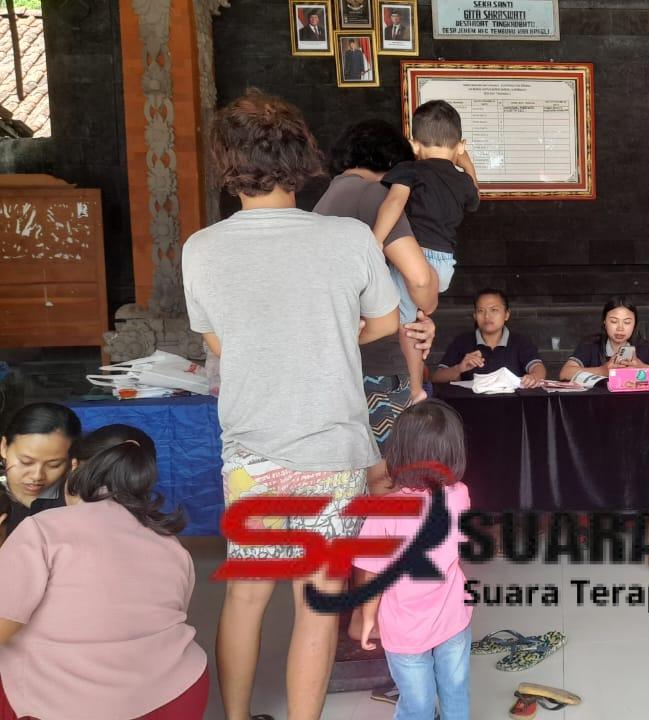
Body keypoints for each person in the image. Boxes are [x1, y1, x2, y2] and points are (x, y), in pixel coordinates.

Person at [181, 89, 400, 720]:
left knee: (246, 595)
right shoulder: (349, 238)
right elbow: (386, 323)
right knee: (317, 604)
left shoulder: (201, 247)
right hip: (331, 447)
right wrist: (327, 337)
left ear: (227, 163)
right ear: (302, 159)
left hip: (251, 452)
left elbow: (219, 343)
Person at [0, 425, 208, 720]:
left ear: (74, 466)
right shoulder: (171, 544)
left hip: (64, 705)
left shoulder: (41, 529)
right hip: (177, 697)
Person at [314, 118, 440, 459]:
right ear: (393, 164)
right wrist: (428, 303)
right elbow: (419, 280)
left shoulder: (324, 202)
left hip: (337, 367)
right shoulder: (374, 196)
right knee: (388, 474)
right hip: (379, 369)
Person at [353, 400, 472, 720]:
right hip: (454, 614)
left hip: (405, 627)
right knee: (455, 690)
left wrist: (367, 617)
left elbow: (372, 575)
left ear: (398, 453)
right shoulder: (460, 494)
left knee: (417, 703)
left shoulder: (384, 512)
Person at [372, 100, 481, 402]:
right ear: (460, 145)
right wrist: (466, 162)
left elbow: (394, 203)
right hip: (444, 266)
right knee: (418, 321)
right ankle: (416, 382)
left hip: (415, 259)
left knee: (406, 326)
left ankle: (415, 388)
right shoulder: (462, 180)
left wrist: (374, 242)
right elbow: (475, 197)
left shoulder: (410, 169)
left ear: (414, 144)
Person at [0, 402, 80, 541]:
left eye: (54, 465)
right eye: (26, 462)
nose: (37, 476)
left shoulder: (77, 503)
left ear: (71, 463)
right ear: (4, 447)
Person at [434, 289, 545, 388]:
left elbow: (537, 367)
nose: (487, 316)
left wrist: (534, 376)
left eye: (494, 310)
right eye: (481, 311)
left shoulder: (520, 342)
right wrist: (459, 368)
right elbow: (437, 377)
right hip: (472, 403)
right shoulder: (461, 342)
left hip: (512, 403)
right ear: (475, 316)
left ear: (506, 314)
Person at [560, 296, 649, 381]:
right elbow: (565, 373)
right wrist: (602, 371)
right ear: (604, 322)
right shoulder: (590, 345)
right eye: (614, 321)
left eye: (627, 322)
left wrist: (642, 368)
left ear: (635, 324)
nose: (620, 328)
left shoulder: (644, 347)